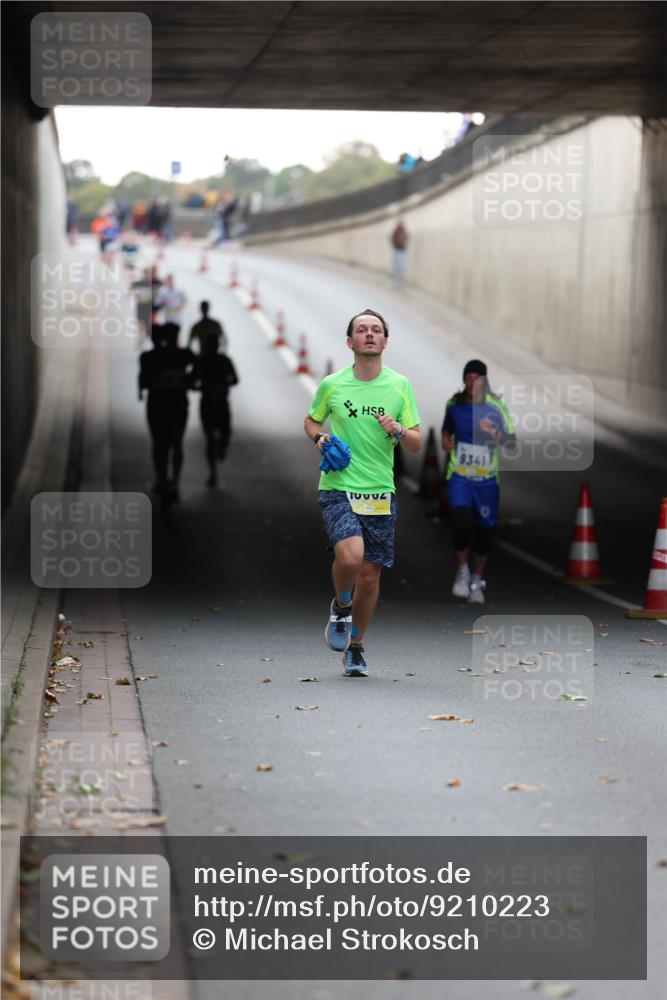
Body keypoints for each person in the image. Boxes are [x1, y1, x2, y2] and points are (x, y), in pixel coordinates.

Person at [304, 309, 421, 677]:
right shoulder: (333, 385)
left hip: (380, 491)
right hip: (338, 485)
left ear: (385, 341)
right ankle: (341, 605)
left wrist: (399, 429)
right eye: (361, 330)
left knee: (370, 575)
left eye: (376, 330)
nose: (369, 334)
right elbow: (311, 420)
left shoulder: (400, 385)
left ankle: (355, 646)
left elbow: (416, 443)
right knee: (352, 557)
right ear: (350, 342)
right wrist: (320, 437)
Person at [441, 359, 516, 604]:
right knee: (461, 522)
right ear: (463, 379)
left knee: (484, 531)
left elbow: (511, 442)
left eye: (477, 378)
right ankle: (462, 571)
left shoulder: (495, 406)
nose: (472, 383)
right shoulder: (454, 404)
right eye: (468, 377)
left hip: (486, 480)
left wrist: (492, 432)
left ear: (485, 380)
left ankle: (476, 579)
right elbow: (446, 431)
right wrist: (445, 442)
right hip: (459, 476)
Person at [138, 323, 196, 503]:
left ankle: (162, 478)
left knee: (160, 443)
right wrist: (189, 381)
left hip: (158, 404)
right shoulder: (184, 355)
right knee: (175, 443)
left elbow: (143, 379)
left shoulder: (150, 357)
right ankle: (172, 481)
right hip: (177, 404)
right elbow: (198, 368)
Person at [192, 333, 239, 486]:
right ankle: (213, 471)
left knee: (214, 437)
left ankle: (213, 472)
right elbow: (235, 379)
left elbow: (191, 381)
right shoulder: (222, 361)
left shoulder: (206, 361)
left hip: (210, 402)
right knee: (218, 435)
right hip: (217, 402)